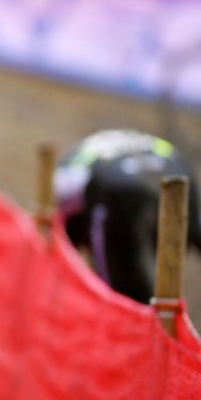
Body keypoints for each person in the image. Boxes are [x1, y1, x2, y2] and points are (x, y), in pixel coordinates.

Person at [54, 129, 201, 304]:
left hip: (115, 191)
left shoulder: (69, 177)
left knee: (127, 302)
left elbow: (61, 249)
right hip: (173, 176)